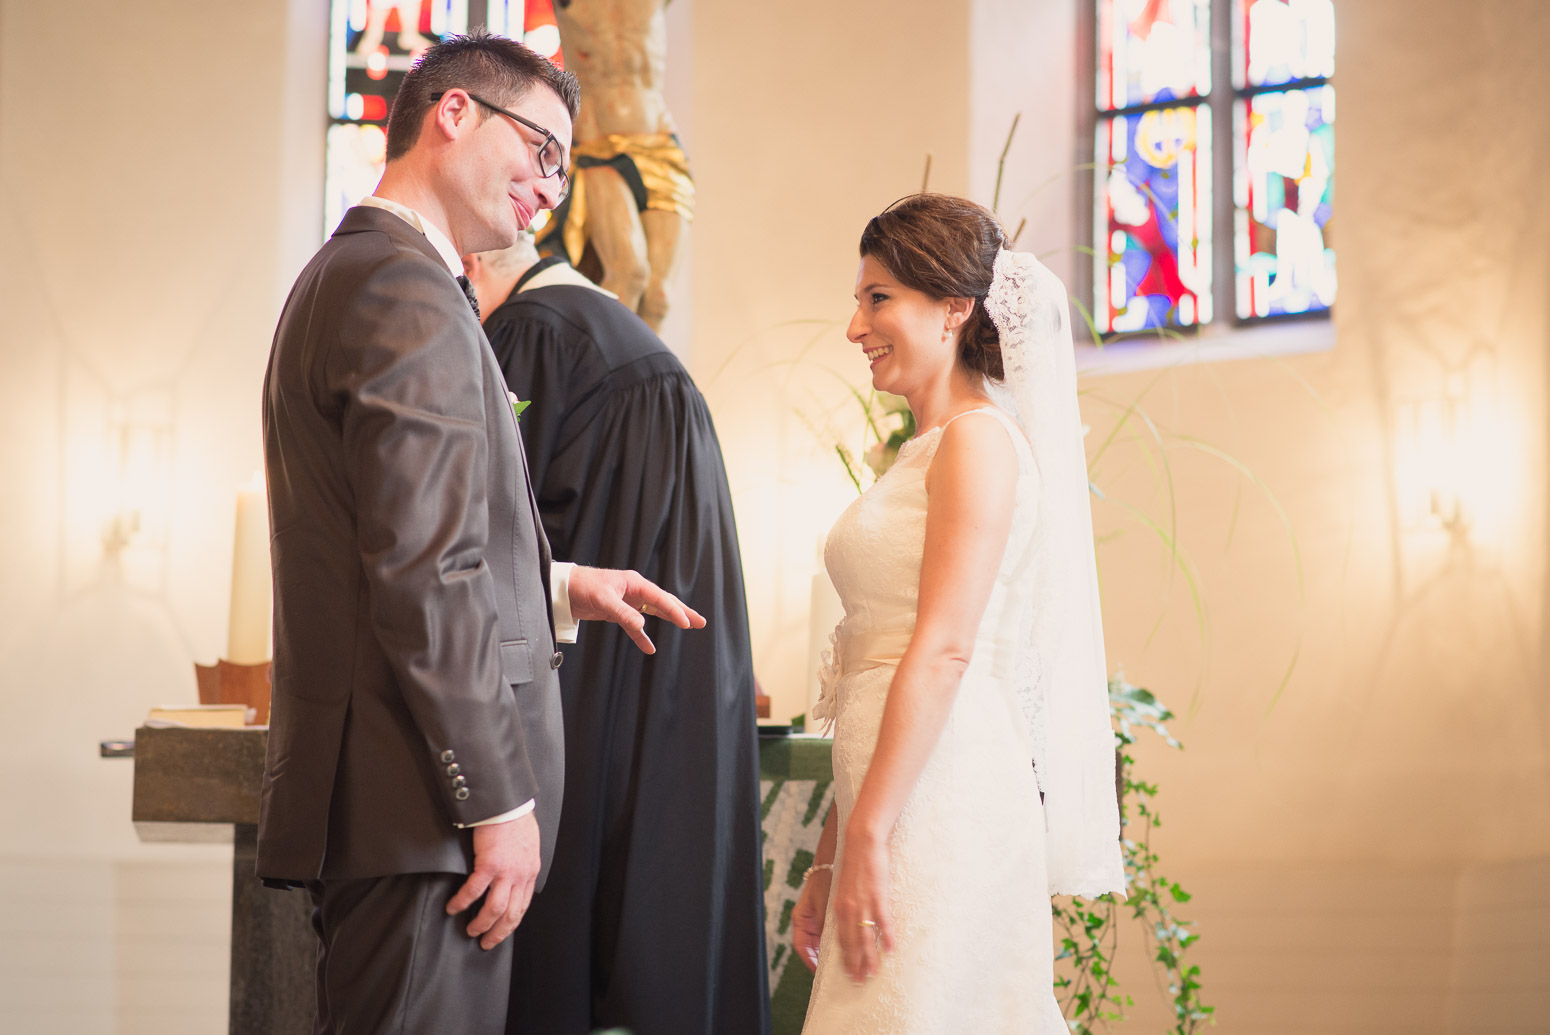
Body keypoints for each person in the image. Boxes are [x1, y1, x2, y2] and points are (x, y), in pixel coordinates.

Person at [257, 34, 704, 1035]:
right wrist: (496, 801)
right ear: (454, 113)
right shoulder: (403, 289)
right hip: (426, 813)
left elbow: (403, 535)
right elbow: (424, 568)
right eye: (544, 149)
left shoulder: (366, 275)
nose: (555, 186)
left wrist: (559, 582)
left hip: (405, 817)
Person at [790, 194, 1126, 1032]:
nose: (855, 325)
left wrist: (866, 835)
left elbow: (941, 651)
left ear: (953, 308)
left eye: (878, 298)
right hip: (893, 790)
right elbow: (886, 653)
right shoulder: (921, 452)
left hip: (945, 790)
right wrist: (835, 850)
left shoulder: (977, 442)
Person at [461, 238, 771, 1035]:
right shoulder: (648, 352)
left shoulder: (529, 333)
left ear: (470, 277)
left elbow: (483, 541)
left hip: (580, 692)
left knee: (555, 946)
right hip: (676, 695)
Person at [534, 0, 690, 331]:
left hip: (659, 143)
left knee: (659, 297)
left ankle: (646, 382)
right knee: (629, 273)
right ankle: (606, 378)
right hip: (598, 147)